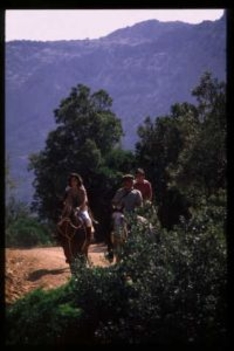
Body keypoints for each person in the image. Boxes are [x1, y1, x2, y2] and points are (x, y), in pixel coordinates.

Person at [60, 172, 94, 242]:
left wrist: (79, 208)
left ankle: (89, 237)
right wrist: (69, 207)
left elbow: (85, 201)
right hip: (72, 209)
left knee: (88, 220)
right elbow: (68, 200)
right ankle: (61, 236)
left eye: (75, 180)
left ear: (78, 181)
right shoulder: (69, 190)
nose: (73, 182)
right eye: (72, 180)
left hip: (82, 209)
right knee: (62, 220)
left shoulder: (82, 189)